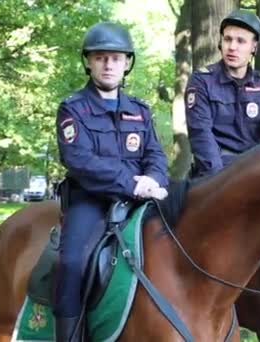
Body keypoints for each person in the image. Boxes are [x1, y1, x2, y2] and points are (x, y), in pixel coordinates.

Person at [54, 22, 169, 342]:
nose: (108, 64)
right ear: (88, 62)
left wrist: (155, 180)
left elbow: (156, 155)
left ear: (126, 63)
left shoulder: (141, 111)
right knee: (72, 262)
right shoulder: (72, 108)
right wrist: (132, 182)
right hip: (89, 200)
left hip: (141, 200)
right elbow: (79, 161)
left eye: (116, 58)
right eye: (101, 57)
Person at [185, 10, 260, 178]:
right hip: (214, 171)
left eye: (241, 41)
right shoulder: (202, 81)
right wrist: (219, 181)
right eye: (227, 39)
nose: (232, 47)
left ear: (254, 47)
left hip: (253, 170)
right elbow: (201, 136)